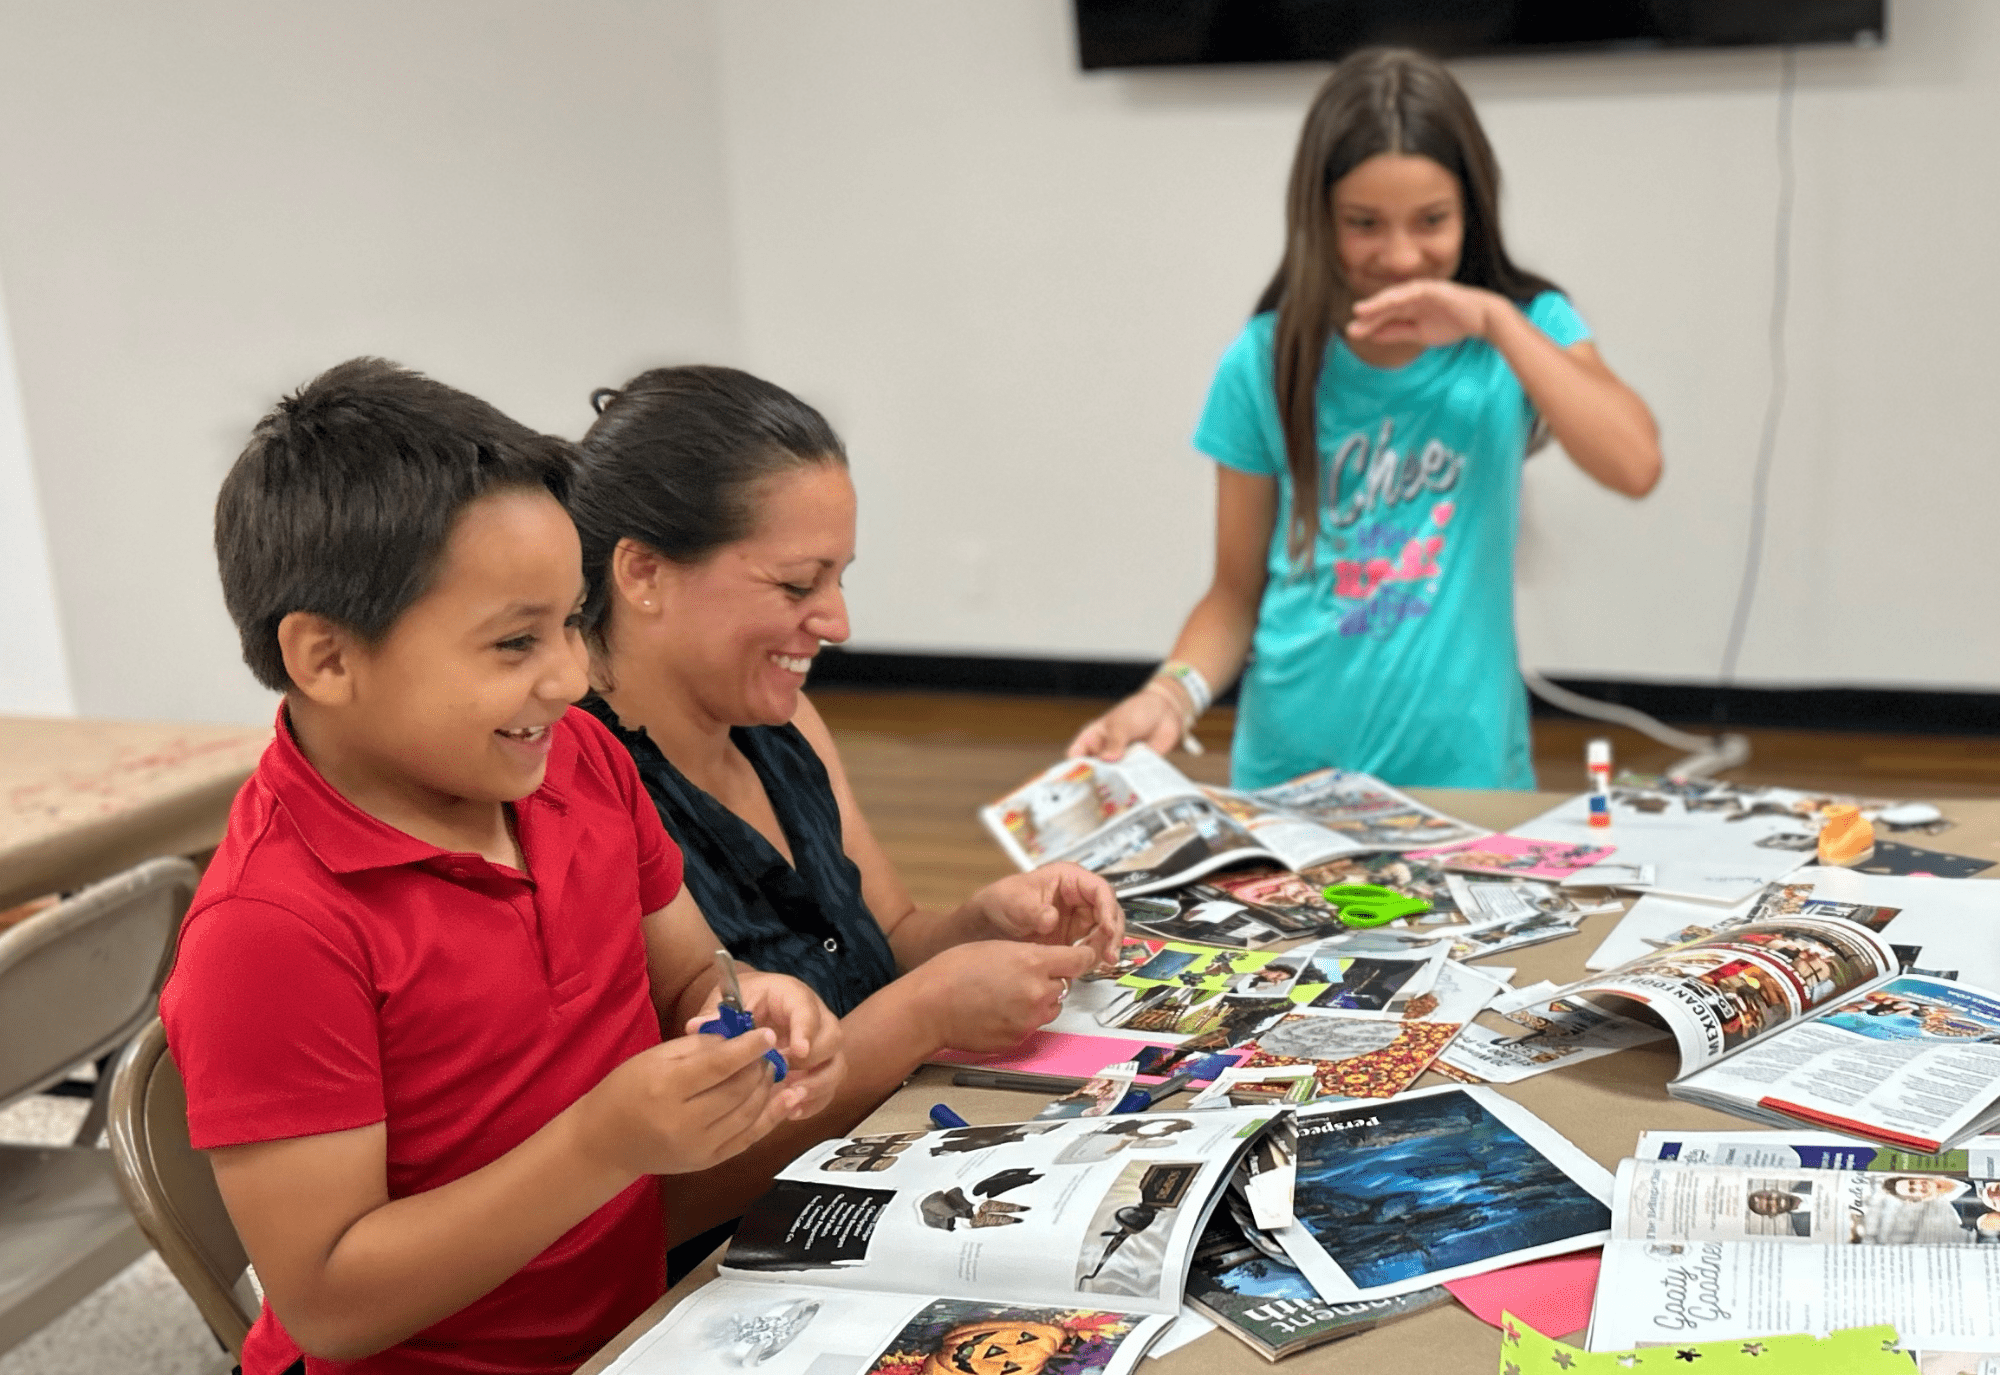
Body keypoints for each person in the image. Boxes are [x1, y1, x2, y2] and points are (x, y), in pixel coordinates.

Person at [162, 359, 844, 1375]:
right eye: (516, 641)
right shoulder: (270, 929)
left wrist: (743, 1004)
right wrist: (602, 1145)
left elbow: (692, 977)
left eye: (570, 621)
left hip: (637, 1328)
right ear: (327, 658)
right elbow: (330, 1305)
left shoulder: (578, 760)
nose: (570, 675)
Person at [567, 365, 1120, 1240]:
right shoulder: (581, 791)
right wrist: (924, 1013)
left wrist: (979, 924)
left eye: (838, 579)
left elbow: (886, 936)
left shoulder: (782, 719)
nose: (838, 621)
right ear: (643, 572)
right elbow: (665, 1194)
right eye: (797, 584)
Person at [1069, 47, 1661, 791]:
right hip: (1292, 780)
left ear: (1472, 211)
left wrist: (1494, 321)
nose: (1401, 256)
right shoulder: (1266, 360)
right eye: (1364, 223)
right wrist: (1168, 696)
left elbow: (1635, 464)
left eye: (1432, 220)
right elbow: (1234, 592)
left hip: (1468, 779)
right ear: (1320, 218)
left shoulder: (1525, 328)